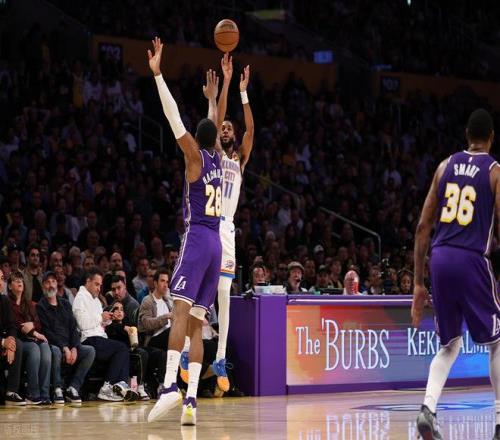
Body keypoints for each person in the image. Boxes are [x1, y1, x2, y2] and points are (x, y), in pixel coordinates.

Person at [147, 37, 222, 426]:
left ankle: (168, 387)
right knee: (196, 323)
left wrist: (158, 75)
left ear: (197, 139)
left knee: (178, 310)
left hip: (197, 240)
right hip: (217, 245)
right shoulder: (218, 158)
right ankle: (191, 401)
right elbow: (213, 124)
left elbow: (173, 115)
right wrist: (214, 98)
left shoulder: (194, 156)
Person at [411, 109, 500, 440]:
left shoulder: (444, 166)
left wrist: (418, 284)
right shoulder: (494, 171)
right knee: (497, 341)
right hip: (472, 258)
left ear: (466, 135)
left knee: (449, 344)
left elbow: (423, 227)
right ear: (491, 138)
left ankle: (427, 409)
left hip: (440, 258)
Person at [72, 268, 137, 402]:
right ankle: (107, 386)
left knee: (123, 348)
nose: (99, 288)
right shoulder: (80, 298)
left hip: (99, 337)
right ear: (88, 281)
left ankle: (120, 385)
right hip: (88, 339)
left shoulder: (96, 300)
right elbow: (82, 324)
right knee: (121, 348)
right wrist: (101, 317)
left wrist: (108, 319)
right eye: (96, 284)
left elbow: (99, 323)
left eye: (100, 285)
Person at [37, 271, 96, 404]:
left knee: (90, 351)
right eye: (47, 282)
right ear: (43, 286)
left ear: (57, 284)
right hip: (54, 346)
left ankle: (73, 388)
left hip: (70, 347)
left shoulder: (65, 304)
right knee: (56, 351)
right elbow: (47, 332)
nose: (51, 285)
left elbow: (73, 328)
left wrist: (74, 347)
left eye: (53, 281)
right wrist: (64, 347)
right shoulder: (41, 306)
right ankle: (57, 389)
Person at [8, 270, 51, 405]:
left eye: (21, 280)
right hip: (19, 340)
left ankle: (44, 394)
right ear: (9, 286)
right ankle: (32, 394)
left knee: (46, 347)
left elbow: (39, 323)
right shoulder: (7, 303)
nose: (20, 282)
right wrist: (34, 333)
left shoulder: (30, 304)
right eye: (16, 280)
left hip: (31, 339)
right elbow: (17, 325)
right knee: (33, 348)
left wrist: (32, 325)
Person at [105, 300, 150, 400]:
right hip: (117, 353)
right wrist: (124, 328)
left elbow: (135, 341)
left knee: (145, 353)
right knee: (140, 354)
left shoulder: (128, 323)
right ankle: (139, 387)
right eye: (116, 309)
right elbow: (112, 329)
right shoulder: (109, 325)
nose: (119, 312)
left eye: (121, 309)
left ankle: (140, 386)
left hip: (130, 350)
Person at [0, 268, 25, 405]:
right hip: (1, 344)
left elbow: (12, 326)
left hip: (3, 346)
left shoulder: (4, 300)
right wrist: (3, 342)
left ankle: (11, 392)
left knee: (18, 344)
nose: (1, 283)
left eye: (2, 279)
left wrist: (11, 343)